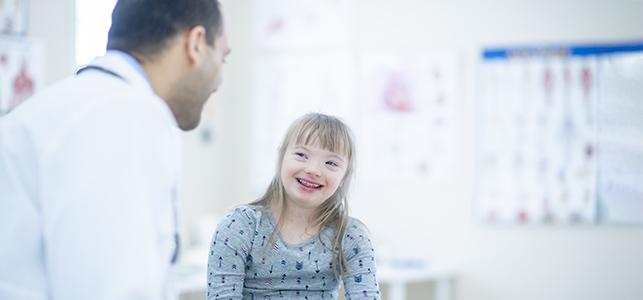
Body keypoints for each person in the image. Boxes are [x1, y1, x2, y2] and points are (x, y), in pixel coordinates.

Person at [0, 0, 229, 299]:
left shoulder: (49, 112)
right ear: (196, 43)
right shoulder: (127, 114)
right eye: (223, 58)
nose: (219, 79)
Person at [207, 113, 381, 299]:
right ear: (281, 156)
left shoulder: (350, 236)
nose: (313, 170)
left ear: (344, 177)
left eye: (331, 163)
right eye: (301, 155)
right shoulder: (238, 225)